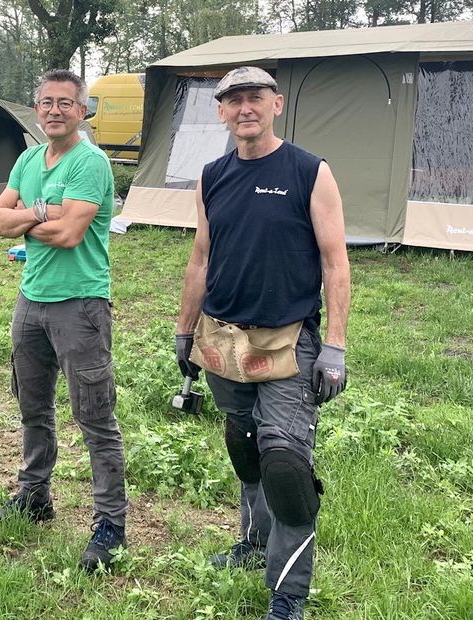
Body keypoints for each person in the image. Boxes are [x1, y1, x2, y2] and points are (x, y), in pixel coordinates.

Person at [175, 66, 351, 620]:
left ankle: (288, 596)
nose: (244, 108)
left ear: (275, 105)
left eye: (255, 98)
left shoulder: (309, 171)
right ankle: (252, 545)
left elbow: (334, 260)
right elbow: (202, 257)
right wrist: (185, 328)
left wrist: (336, 345)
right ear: (221, 112)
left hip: (288, 339)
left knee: (286, 465)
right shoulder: (211, 175)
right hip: (222, 337)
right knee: (244, 442)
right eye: (233, 101)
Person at [0, 69, 128, 573]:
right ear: (36, 107)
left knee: (94, 415)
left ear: (82, 110)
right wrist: (42, 212)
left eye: (66, 103)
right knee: (32, 406)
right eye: (46, 102)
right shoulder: (28, 158)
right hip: (32, 300)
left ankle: (111, 522)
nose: (54, 111)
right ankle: (34, 495)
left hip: (81, 303)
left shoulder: (90, 163)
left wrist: (29, 218)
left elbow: (69, 235)